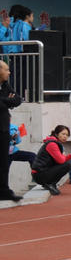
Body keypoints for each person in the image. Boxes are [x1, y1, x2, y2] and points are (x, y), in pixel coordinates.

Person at [31, 125, 71, 195]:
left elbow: (61, 159)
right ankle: (50, 184)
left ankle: (51, 183)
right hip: (39, 175)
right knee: (68, 164)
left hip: (42, 172)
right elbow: (61, 160)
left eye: (67, 135)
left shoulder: (55, 143)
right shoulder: (52, 144)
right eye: (63, 134)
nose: (65, 137)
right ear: (56, 134)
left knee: (67, 164)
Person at [0, 60, 23, 202]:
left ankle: (4, 191)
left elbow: (18, 99)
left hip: (3, 129)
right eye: (6, 69)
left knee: (4, 161)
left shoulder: (5, 85)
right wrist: (7, 101)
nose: (9, 72)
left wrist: (4, 101)